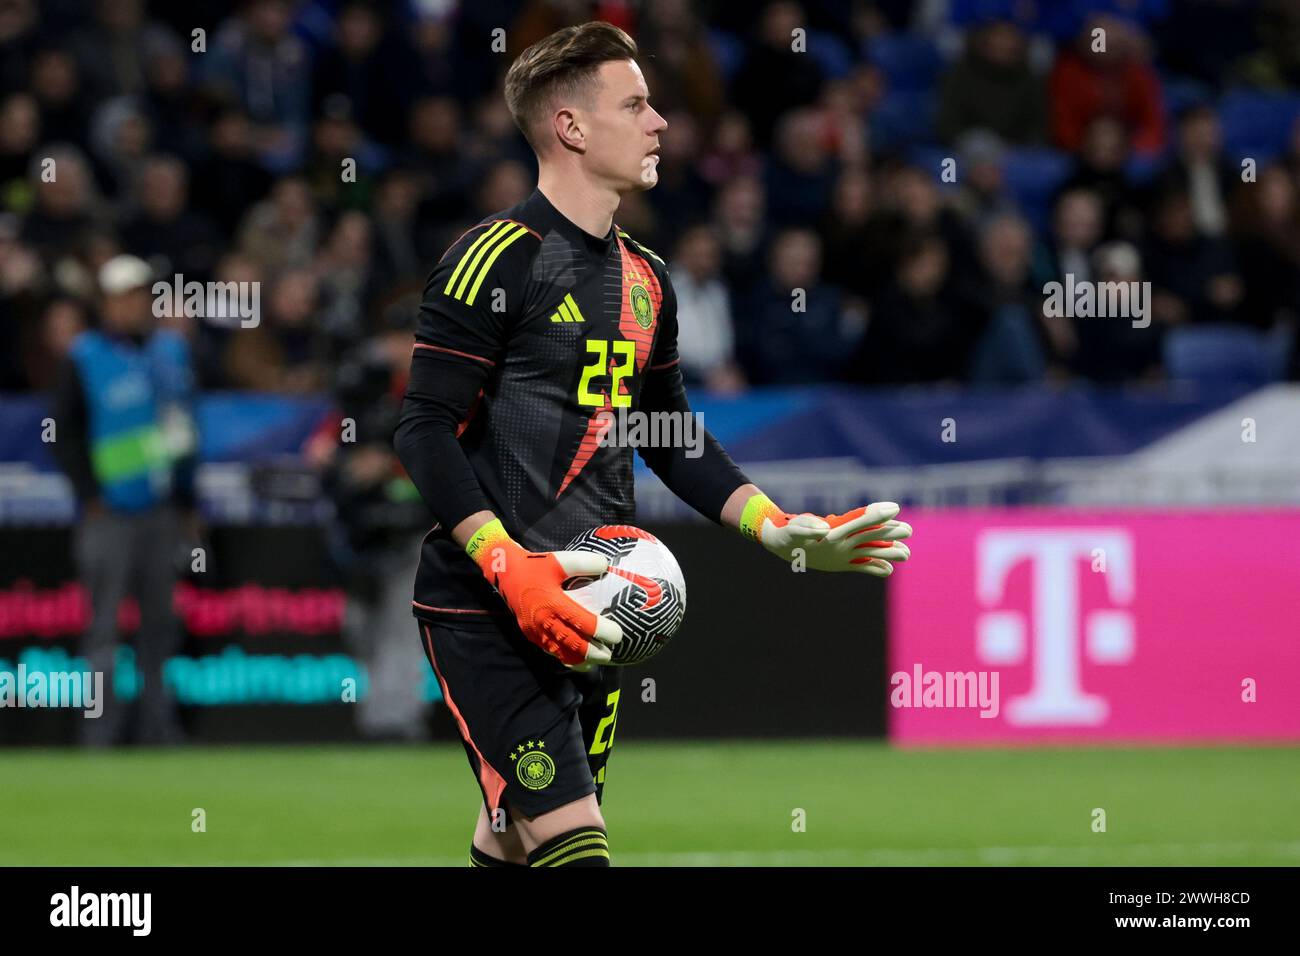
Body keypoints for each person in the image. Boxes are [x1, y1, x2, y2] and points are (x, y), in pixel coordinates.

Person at [392, 21, 913, 869]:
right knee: (575, 847)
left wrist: (771, 526)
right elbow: (421, 428)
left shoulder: (647, 278)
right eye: (634, 103)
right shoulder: (494, 260)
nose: (660, 122)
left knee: (514, 842)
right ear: (570, 127)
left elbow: (667, 435)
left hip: (599, 612)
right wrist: (505, 563)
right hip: (487, 607)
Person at [48, 254, 198, 746]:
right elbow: (64, 432)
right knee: (104, 630)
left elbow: (183, 431)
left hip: (160, 511)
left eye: (141, 294)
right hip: (108, 512)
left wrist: (187, 500)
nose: (135, 304)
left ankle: (159, 731)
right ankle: (100, 735)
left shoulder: (171, 352)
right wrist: (88, 493)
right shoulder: (85, 355)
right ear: (107, 301)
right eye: (125, 295)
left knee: (160, 626)